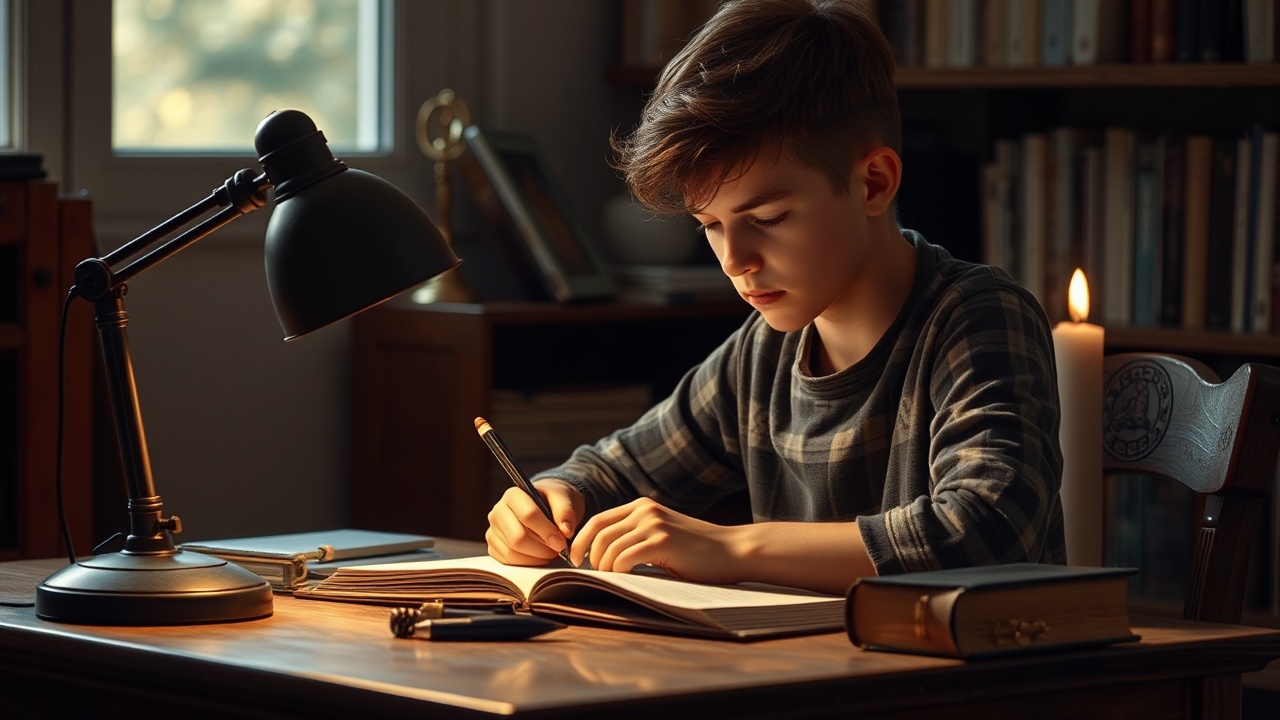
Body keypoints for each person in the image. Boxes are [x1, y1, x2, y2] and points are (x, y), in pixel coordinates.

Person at [485, 0, 1065, 596]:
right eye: (710, 225)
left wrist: (730, 546)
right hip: (816, 677)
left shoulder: (977, 316)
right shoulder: (764, 355)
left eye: (768, 217)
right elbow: (613, 471)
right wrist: (553, 498)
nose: (734, 261)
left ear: (874, 182)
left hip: (971, 683)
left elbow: (987, 528)